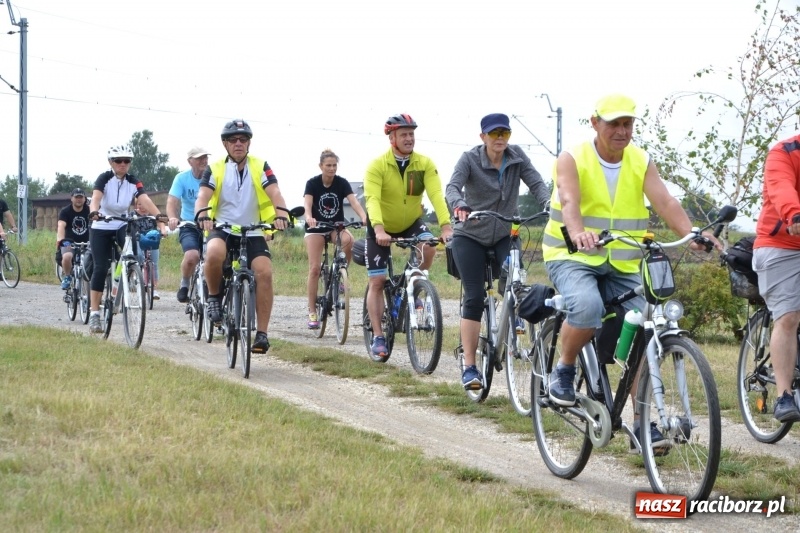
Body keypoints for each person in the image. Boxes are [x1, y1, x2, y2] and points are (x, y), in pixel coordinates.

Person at [541, 94, 720, 452]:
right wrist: (577, 233)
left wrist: (691, 234)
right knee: (588, 307)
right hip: (572, 255)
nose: (622, 132)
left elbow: (665, 201)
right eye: (614, 124)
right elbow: (570, 201)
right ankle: (564, 369)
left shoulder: (640, 160)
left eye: (628, 124)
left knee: (647, 326)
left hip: (623, 263)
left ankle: (641, 425)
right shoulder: (572, 158)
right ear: (595, 123)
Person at [446, 113, 551, 389]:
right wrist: (459, 205)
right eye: (494, 134)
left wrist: (549, 203)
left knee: (516, 283)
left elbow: (537, 183)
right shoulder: (469, 159)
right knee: (475, 295)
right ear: (483, 137)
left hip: (505, 231)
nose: (500, 138)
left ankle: (513, 322)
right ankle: (469, 366)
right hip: (471, 234)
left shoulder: (516, 157)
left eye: (505, 133)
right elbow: (452, 187)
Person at [195, 119, 291, 354]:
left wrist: (282, 214)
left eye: (243, 139)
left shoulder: (260, 165)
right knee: (214, 253)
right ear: (225, 144)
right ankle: (215, 298)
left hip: (253, 228)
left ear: (249, 143)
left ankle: (262, 334)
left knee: (265, 272)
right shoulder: (216, 167)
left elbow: (275, 191)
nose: (238, 143)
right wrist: (202, 214)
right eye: (233, 140)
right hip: (224, 227)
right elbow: (203, 195)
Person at [363, 113, 453, 357]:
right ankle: (379, 336)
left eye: (411, 134)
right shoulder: (377, 166)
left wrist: (446, 226)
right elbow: (371, 199)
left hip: (411, 222)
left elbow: (436, 194)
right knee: (377, 282)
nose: (409, 138)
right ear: (391, 137)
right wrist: (379, 229)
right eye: (403, 134)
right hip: (380, 225)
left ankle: (414, 282)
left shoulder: (424, 164)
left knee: (429, 246)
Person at [87, 146, 162, 333]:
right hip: (102, 225)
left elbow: (144, 199)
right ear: (110, 162)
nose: (122, 164)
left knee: (132, 255)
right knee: (101, 266)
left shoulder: (133, 181)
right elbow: (96, 198)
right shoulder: (104, 178)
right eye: (118, 161)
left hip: (121, 223)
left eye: (126, 161)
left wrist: (159, 217)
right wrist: (94, 212)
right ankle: (95, 313)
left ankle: (125, 281)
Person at [753, 133, 800, 423]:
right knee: (789, 316)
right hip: (781, 246)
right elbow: (782, 188)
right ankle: (784, 395)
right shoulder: (784, 151)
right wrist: (794, 215)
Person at [303, 148, 367, 329]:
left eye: (334, 165)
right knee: (315, 268)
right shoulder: (312, 183)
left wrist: (363, 216)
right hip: (316, 228)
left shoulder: (342, 183)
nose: (332, 169)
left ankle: (340, 275)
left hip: (335, 226)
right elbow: (307, 204)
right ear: (321, 166)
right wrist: (309, 216)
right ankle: (312, 310)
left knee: (349, 240)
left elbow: (354, 202)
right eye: (328, 165)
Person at [167, 146, 211, 303]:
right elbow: (172, 201)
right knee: (192, 256)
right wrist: (172, 217)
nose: (204, 161)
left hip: (211, 224)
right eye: (199, 158)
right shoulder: (182, 178)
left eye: (205, 157)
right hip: (189, 224)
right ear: (190, 161)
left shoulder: (214, 177)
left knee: (217, 259)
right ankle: (185, 282)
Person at [56, 188, 91, 290]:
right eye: (76, 197)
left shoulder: (90, 210)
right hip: (69, 241)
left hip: (88, 241)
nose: (78, 200)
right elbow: (61, 225)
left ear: (84, 199)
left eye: (81, 197)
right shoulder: (65, 211)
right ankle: (67, 276)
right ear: (72, 198)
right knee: (67, 257)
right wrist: (60, 240)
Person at [134, 197, 168, 300]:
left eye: (144, 204)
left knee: (154, 264)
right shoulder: (133, 215)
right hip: (138, 239)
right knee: (139, 256)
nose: (142, 207)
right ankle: (138, 275)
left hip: (151, 239)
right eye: (139, 204)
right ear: (136, 205)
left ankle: (154, 289)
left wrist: (163, 231)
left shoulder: (153, 215)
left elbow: (161, 223)